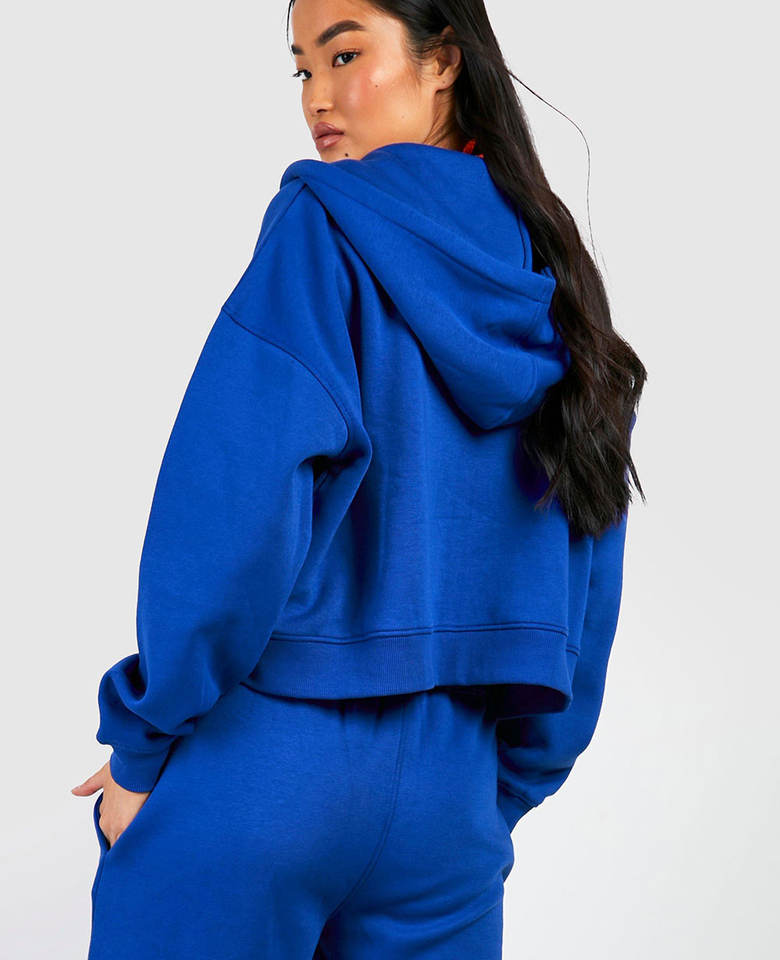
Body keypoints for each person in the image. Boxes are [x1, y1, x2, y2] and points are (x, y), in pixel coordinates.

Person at [73, 1, 646, 957]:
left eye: (345, 54)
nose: (318, 96)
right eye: (302, 67)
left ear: (443, 61)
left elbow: (232, 506)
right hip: (452, 803)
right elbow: (591, 558)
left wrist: (144, 740)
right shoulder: (554, 275)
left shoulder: (324, 224)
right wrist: (500, 790)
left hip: (266, 767)